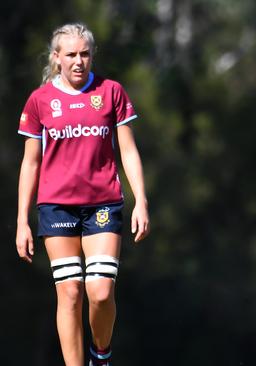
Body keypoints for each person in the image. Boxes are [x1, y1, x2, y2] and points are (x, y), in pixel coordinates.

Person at [15, 23, 150, 366]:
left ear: (92, 56)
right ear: (56, 58)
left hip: (103, 204)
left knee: (101, 293)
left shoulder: (111, 92)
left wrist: (141, 202)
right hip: (56, 207)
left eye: (85, 54)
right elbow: (30, 163)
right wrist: (22, 221)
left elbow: (129, 151)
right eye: (71, 55)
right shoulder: (40, 101)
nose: (79, 61)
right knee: (71, 293)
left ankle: (100, 356)